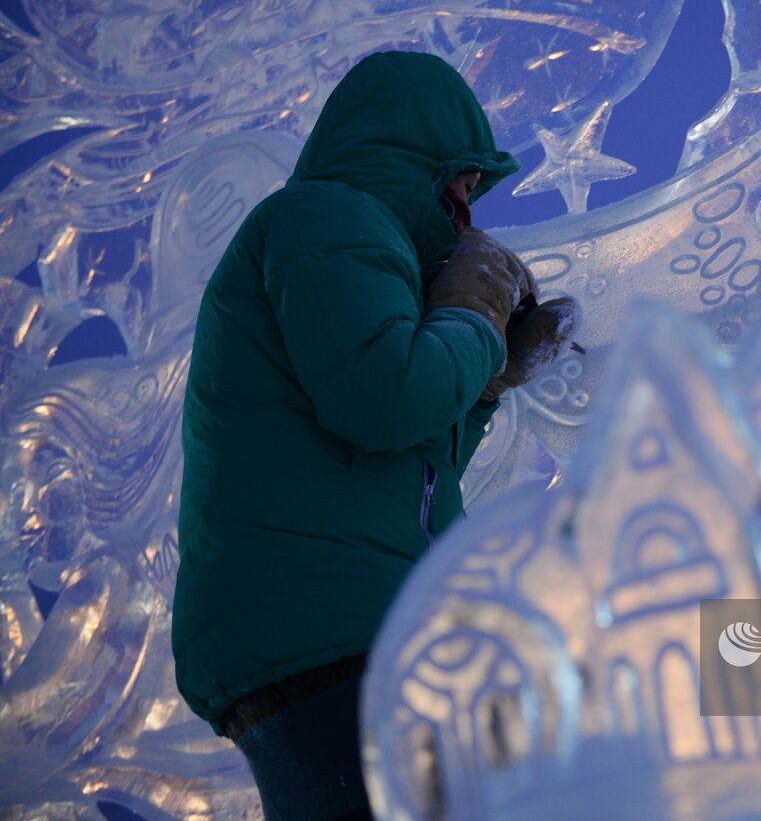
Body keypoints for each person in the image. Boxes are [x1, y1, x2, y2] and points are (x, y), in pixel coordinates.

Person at [171, 50, 579, 820]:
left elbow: (408, 457)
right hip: (331, 629)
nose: (468, 210)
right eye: (460, 183)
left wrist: (485, 377)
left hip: (319, 629)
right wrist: (471, 320)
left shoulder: (356, 245)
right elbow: (386, 400)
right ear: (411, 155)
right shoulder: (328, 216)